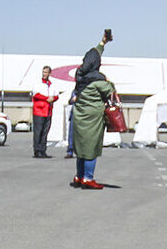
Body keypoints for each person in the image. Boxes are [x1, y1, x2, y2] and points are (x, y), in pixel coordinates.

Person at [69, 32, 115, 189]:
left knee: (81, 148)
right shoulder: (99, 81)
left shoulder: (80, 76)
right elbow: (112, 91)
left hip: (79, 116)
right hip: (93, 118)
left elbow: (93, 55)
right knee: (91, 148)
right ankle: (88, 178)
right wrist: (109, 81)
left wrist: (102, 43)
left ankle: (79, 176)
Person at [30, 65, 58, 158]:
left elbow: (56, 95)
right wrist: (47, 99)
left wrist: (53, 98)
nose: (44, 74)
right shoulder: (37, 83)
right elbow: (36, 94)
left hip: (48, 111)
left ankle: (43, 150)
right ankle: (37, 150)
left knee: (45, 131)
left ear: (50, 73)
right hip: (39, 110)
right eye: (43, 72)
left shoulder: (52, 84)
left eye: (46, 72)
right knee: (38, 131)